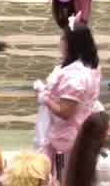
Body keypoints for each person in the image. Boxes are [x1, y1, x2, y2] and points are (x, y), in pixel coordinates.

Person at [35, 23, 103, 173]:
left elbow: (65, 112)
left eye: (63, 39)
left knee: (63, 173)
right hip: (81, 128)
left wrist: (44, 97)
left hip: (67, 137)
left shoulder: (75, 77)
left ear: (71, 44)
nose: (60, 42)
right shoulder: (91, 65)